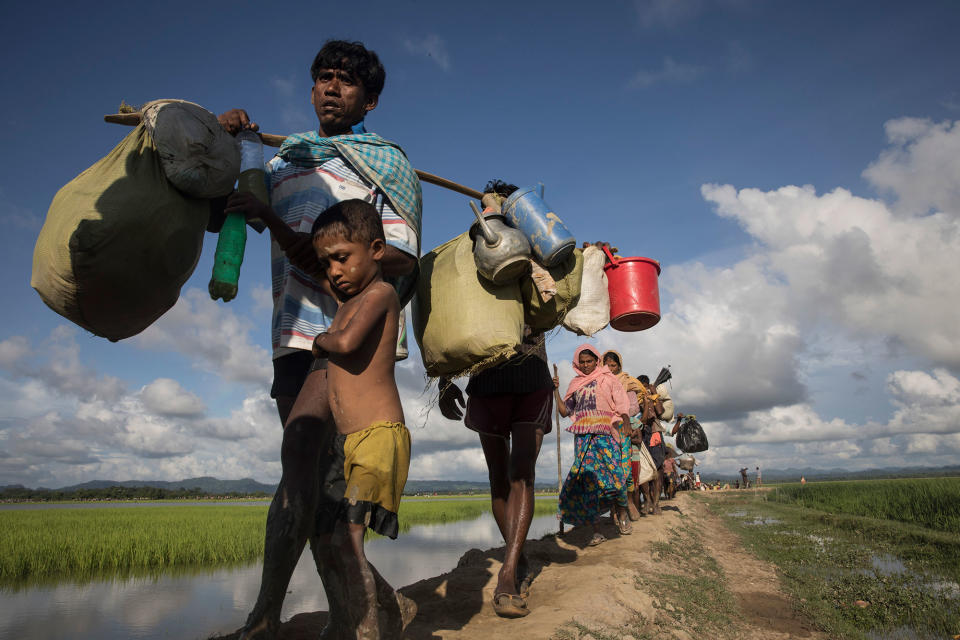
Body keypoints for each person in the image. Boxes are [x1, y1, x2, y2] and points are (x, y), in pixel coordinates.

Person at [217, 40, 422, 639]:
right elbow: (234, 207)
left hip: (344, 338)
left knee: (300, 457)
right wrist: (236, 140)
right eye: (323, 78)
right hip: (291, 335)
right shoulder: (287, 161)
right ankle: (364, 612)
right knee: (312, 483)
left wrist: (323, 251)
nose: (332, 87)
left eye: (346, 81)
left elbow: (403, 255)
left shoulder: (386, 163)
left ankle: (263, 623)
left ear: (370, 100)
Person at [437, 180, 552, 619]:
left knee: (523, 472)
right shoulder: (467, 257)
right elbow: (445, 320)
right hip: (485, 379)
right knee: (498, 478)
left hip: (532, 376)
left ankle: (508, 575)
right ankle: (516, 553)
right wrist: (447, 379)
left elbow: (564, 284)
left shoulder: (536, 249)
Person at [309, 198, 414, 638]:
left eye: (341, 258)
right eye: (325, 263)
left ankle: (366, 631)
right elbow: (331, 280)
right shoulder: (346, 298)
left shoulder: (381, 293)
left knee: (350, 543)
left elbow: (348, 343)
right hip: (350, 439)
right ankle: (396, 605)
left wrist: (319, 339)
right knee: (336, 540)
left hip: (378, 437)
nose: (334, 271)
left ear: (375, 250)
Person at [554, 345, 633, 546]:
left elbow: (622, 403)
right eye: (583, 362)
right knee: (590, 484)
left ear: (597, 360)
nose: (586, 365)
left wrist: (626, 421)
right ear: (577, 363)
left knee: (616, 478)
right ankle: (597, 531)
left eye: (590, 361)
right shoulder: (575, 384)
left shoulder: (608, 379)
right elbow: (565, 412)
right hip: (583, 438)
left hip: (606, 435)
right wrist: (555, 390)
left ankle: (622, 513)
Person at [602, 351, 643, 520]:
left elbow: (634, 407)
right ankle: (613, 510)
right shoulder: (601, 381)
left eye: (613, 365)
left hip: (624, 428)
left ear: (619, 366)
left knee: (625, 469)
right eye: (607, 365)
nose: (610, 369)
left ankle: (629, 503)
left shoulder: (627, 383)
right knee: (609, 470)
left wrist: (619, 411)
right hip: (606, 428)